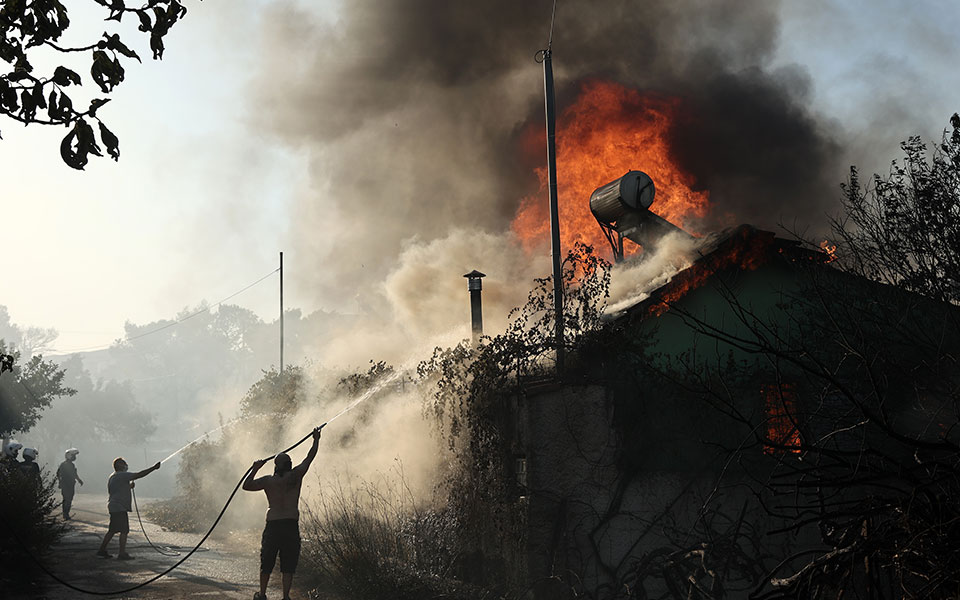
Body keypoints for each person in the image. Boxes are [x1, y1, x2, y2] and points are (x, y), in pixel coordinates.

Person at [243, 427, 322, 600]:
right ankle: (285, 597)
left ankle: (262, 595)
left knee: (267, 562)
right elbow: (310, 457)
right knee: (288, 565)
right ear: (289, 464)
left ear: (276, 466)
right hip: (290, 526)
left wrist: (255, 468)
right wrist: (316, 440)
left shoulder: (268, 481)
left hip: (273, 526)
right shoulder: (296, 476)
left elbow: (246, 485)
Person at [96, 457, 160, 560]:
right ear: (120, 466)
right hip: (119, 507)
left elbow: (117, 490)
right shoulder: (122, 475)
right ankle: (122, 553)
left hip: (114, 506)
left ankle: (101, 550)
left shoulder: (113, 476)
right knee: (124, 530)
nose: (126, 465)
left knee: (112, 530)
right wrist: (153, 468)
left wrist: (129, 487)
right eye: (124, 463)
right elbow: (139, 474)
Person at [56, 448, 84, 519]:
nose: (75, 457)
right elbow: (74, 474)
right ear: (69, 456)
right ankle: (66, 514)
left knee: (66, 499)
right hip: (68, 484)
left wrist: (60, 482)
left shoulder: (64, 464)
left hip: (67, 484)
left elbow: (58, 474)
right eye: (73, 455)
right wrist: (79, 480)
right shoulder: (69, 465)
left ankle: (65, 513)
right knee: (68, 499)